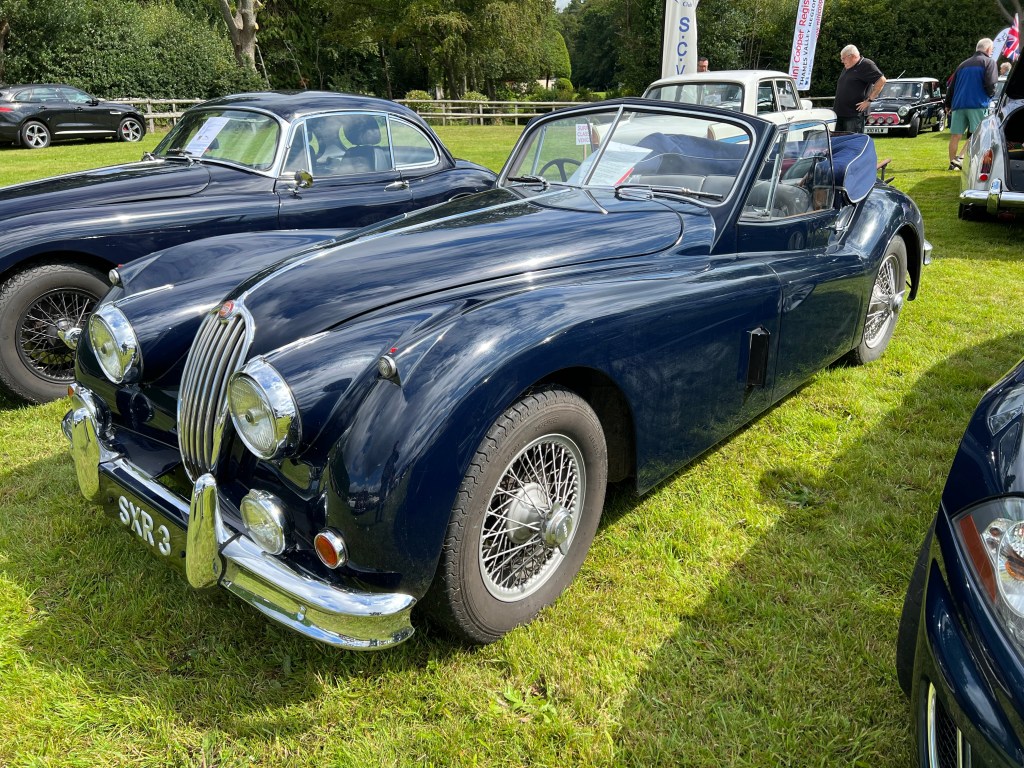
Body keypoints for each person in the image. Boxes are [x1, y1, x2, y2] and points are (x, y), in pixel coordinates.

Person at [946, 38, 998, 170]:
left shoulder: (962, 65)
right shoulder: (989, 62)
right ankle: (960, 158)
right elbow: (991, 83)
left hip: (958, 104)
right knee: (977, 134)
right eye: (992, 49)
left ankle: (952, 163)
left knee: (955, 135)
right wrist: (990, 96)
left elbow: (951, 87)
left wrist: (948, 104)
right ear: (988, 49)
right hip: (977, 103)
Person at [834, 45, 886, 133]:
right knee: (838, 140)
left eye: (843, 58)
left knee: (852, 140)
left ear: (852, 56)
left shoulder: (866, 65)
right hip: (840, 113)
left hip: (854, 115)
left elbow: (882, 81)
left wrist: (869, 100)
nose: (842, 61)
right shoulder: (848, 66)